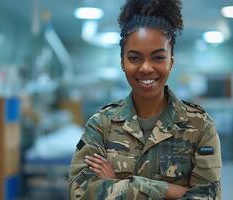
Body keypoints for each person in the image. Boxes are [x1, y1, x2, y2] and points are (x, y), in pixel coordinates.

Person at [68, 0, 222, 199]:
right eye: (134, 58)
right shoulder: (101, 125)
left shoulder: (199, 126)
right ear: (122, 61)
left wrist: (119, 185)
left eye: (158, 58)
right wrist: (171, 192)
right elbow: (80, 194)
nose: (146, 68)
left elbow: (208, 197)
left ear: (171, 62)